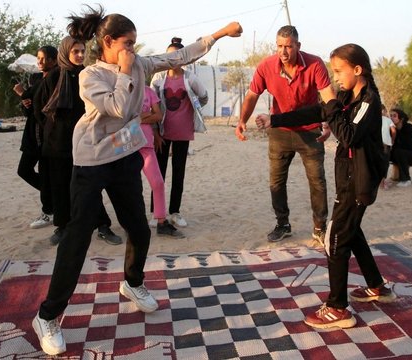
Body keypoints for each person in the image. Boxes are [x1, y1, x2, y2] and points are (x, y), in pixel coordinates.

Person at [31, 4, 242, 355]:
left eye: (135, 43)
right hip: (91, 161)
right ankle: (47, 316)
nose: (134, 49)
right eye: (128, 43)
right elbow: (121, 109)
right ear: (109, 42)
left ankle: (132, 283)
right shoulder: (90, 76)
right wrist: (127, 72)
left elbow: (181, 56)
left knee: (139, 228)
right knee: (78, 237)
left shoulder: (140, 63)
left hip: (125, 156)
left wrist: (218, 34)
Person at [256, 43, 396, 329]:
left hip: (359, 182)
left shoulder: (368, 102)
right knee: (352, 232)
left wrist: (332, 104)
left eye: (339, 71)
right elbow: (316, 113)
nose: (335, 79)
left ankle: (337, 308)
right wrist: (275, 119)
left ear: (358, 70)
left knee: (335, 238)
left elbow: (348, 135)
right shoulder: (347, 96)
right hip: (347, 179)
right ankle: (377, 286)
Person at [235, 25, 335, 245]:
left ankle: (319, 227)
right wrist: (242, 120)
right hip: (279, 132)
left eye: (288, 46)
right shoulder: (266, 66)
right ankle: (283, 224)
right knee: (277, 182)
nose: (283, 51)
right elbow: (252, 95)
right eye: (279, 46)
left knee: (317, 181)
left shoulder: (315, 63)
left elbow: (328, 97)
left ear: (298, 46)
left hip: (310, 132)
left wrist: (328, 123)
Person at [40, 36, 121, 246]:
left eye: (82, 51)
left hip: (85, 141)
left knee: (91, 186)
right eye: (75, 51)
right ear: (65, 52)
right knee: (60, 187)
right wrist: (54, 132)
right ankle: (62, 226)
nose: (79, 55)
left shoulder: (89, 74)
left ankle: (103, 226)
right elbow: (40, 109)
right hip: (57, 144)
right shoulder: (54, 76)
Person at [150, 37, 209, 228]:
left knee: (178, 173)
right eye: (169, 55)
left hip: (183, 133)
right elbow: (152, 105)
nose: (172, 59)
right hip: (162, 133)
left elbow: (204, 96)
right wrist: (155, 132)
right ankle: (156, 212)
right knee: (158, 174)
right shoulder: (158, 79)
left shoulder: (190, 78)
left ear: (182, 58)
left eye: (176, 55)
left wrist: (193, 110)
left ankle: (175, 212)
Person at [13, 46, 57, 230]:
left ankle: (49, 210)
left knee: (48, 174)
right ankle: (54, 198)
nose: (39, 62)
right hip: (32, 134)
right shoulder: (38, 78)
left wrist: (24, 93)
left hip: (48, 135)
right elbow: (29, 109)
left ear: (54, 60)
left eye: (43, 58)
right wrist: (25, 100)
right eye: (38, 58)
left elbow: (44, 108)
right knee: (24, 170)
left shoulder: (56, 79)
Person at [140, 85, 184, 238]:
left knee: (158, 182)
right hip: (127, 146)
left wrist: (139, 117)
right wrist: (146, 115)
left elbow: (158, 115)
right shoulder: (121, 88)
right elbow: (122, 115)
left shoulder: (148, 91)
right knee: (130, 186)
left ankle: (161, 221)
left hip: (146, 144)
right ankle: (133, 222)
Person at [389, 108, 412, 187]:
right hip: (398, 153)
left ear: (401, 119)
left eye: (394, 116)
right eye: (391, 116)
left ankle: (406, 179)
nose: (391, 118)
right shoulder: (392, 129)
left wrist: (395, 135)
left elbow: (407, 144)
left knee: (399, 152)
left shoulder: (409, 127)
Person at [380, 105, 396, 189]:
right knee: (385, 163)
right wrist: (392, 140)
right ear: (384, 111)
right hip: (386, 143)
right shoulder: (388, 120)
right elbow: (393, 131)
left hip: (375, 144)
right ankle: (383, 183)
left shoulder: (372, 120)